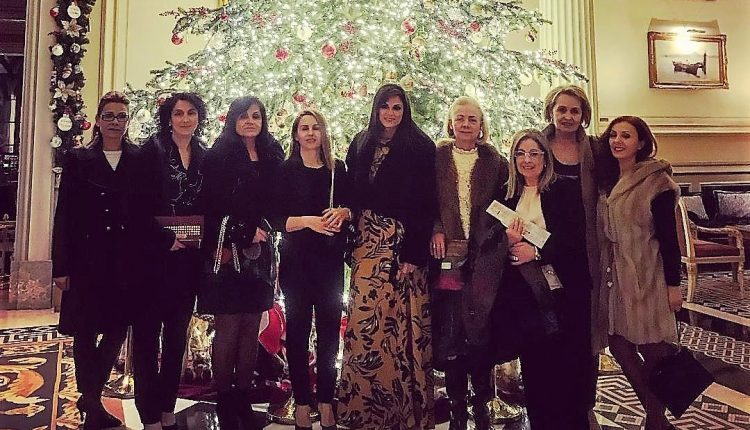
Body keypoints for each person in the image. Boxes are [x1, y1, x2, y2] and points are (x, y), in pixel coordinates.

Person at [52, 91, 173, 430]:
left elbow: (149, 209)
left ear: (128, 121)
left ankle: (90, 395)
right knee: (85, 332)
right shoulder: (78, 159)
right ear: (98, 120)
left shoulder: (141, 158)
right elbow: (65, 214)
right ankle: (92, 403)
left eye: (121, 116)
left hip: (127, 261)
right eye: (109, 116)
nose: (115, 122)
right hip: (87, 260)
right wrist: (61, 266)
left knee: (118, 329)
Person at [337, 83, 437, 429]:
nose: (391, 113)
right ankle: (364, 409)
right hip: (366, 244)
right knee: (365, 321)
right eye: (385, 106)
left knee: (400, 326)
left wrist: (413, 252)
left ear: (405, 110)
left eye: (397, 107)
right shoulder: (361, 142)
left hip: (401, 245)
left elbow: (426, 203)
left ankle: (403, 411)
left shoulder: (420, 146)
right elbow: (351, 193)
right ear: (376, 108)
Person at [492, 129, 592, 430]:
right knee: (534, 368)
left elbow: (575, 241)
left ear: (545, 158)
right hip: (523, 296)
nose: (527, 159)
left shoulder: (563, 189)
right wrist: (507, 241)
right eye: (521, 153)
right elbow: (489, 240)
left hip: (560, 294)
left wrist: (535, 252)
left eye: (534, 153)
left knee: (564, 367)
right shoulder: (506, 194)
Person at [197, 96, 284, 430]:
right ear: (232, 119)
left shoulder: (272, 154)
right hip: (227, 251)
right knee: (228, 329)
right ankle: (224, 398)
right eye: (244, 116)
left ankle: (243, 397)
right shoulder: (218, 156)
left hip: (261, 255)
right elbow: (211, 205)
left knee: (251, 328)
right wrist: (244, 232)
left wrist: (265, 228)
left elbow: (280, 202)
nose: (250, 121)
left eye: (256, 116)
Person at [595, 116, 682, 430]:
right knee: (619, 345)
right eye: (613, 135)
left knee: (655, 350)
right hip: (616, 277)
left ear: (641, 142)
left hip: (648, 275)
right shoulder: (607, 179)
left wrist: (674, 285)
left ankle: (655, 422)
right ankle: (658, 419)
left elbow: (669, 239)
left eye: (626, 136)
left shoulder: (657, 182)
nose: (617, 141)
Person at [429, 96, 508, 430]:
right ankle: (457, 404)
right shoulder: (437, 156)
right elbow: (427, 200)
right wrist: (436, 228)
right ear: (450, 122)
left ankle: (482, 401)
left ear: (481, 125)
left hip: (484, 258)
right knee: (451, 331)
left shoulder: (496, 161)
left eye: (472, 119)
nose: (465, 124)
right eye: (459, 118)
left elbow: (505, 205)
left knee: (480, 330)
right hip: (446, 255)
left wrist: (488, 238)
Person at [132, 92, 209, 430]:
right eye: (178, 113)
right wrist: (165, 239)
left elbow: (209, 204)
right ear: (168, 118)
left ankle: (166, 406)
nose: (185, 119)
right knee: (148, 340)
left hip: (188, 263)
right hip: (153, 261)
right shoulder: (150, 152)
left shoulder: (204, 154)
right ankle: (148, 413)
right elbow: (135, 208)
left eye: (191, 112)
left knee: (177, 338)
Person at [270, 109, 350, 430]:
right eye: (304, 128)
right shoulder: (285, 170)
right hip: (297, 263)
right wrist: (307, 221)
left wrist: (344, 212)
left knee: (330, 335)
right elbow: (276, 219)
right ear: (296, 134)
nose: (311, 133)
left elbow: (351, 208)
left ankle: (327, 401)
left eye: (316, 127)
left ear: (324, 132)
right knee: (298, 333)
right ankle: (302, 402)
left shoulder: (337, 169)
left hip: (329, 263)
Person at [541, 84, 602, 428]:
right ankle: (552, 401)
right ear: (551, 111)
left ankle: (583, 402)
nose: (567, 116)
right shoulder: (536, 145)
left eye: (574, 111)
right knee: (550, 329)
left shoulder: (593, 149)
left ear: (583, 115)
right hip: (544, 253)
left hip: (584, 254)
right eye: (561, 109)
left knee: (582, 331)